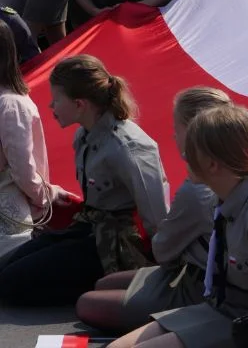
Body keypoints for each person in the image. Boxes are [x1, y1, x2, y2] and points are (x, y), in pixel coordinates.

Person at [107, 104, 248, 348]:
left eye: (191, 151)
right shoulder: (225, 200)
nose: (184, 156)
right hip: (219, 307)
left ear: (213, 165)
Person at [0, 54, 169, 306]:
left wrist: (166, 272)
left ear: (80, 104)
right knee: (7, 267)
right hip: (87, 229)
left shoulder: (129, 147)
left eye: (56, 99)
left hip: (112, 246)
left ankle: (106, 289)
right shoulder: (84, 135)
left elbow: (157, 217)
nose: (51, 106)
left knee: (10, 285)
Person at [75, 87, 232, 334]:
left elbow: (163, 250)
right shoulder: (227, 173)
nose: (173, 135)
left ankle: (174, 320)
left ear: (192, 133)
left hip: (201, 284)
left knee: (87, 303)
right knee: (103, 284)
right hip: (194, 271)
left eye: (177, 127)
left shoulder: (197, 191)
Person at [0, 20, 49, 258]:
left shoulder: (10, 104)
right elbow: (24, 170)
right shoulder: (12, 104)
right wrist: (44, 196)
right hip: (10, 221)